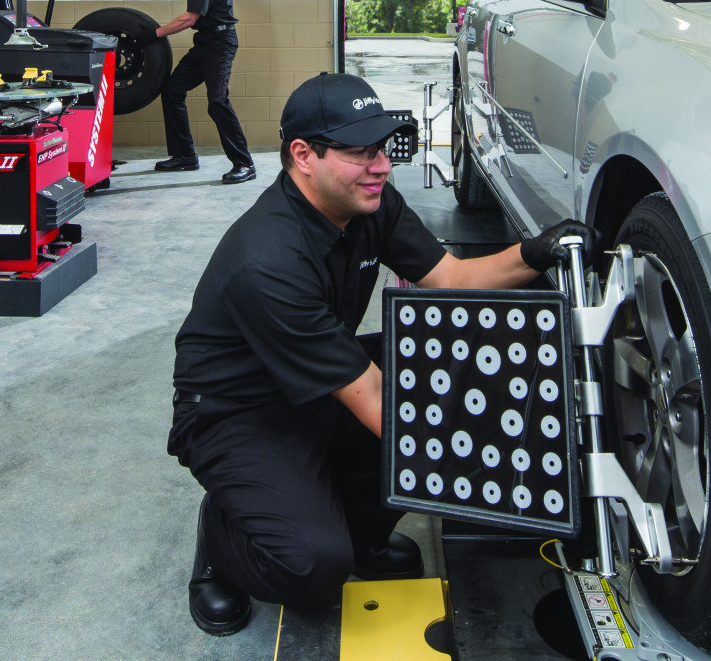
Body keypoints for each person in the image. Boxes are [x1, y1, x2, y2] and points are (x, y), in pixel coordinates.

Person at [167, 72, 576, 635]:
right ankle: (222, 532)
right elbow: (382, 403)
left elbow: (452, 279)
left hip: (324, 379)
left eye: (382, 148)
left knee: (438, 364)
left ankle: (361, 538)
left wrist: (540, 251)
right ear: (303, 155)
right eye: (360, 152)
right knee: (314, 569)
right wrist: (508, 460)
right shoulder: (268, 262)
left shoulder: (367, 202)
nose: (381, 165)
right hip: (239, 410)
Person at [154, 0, 255, 184]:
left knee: (217, 101)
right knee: (172, 90)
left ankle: (244, 164)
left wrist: (156, 33)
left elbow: (190, 18)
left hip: (220, 43)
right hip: (204, 43)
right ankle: (184, 156)